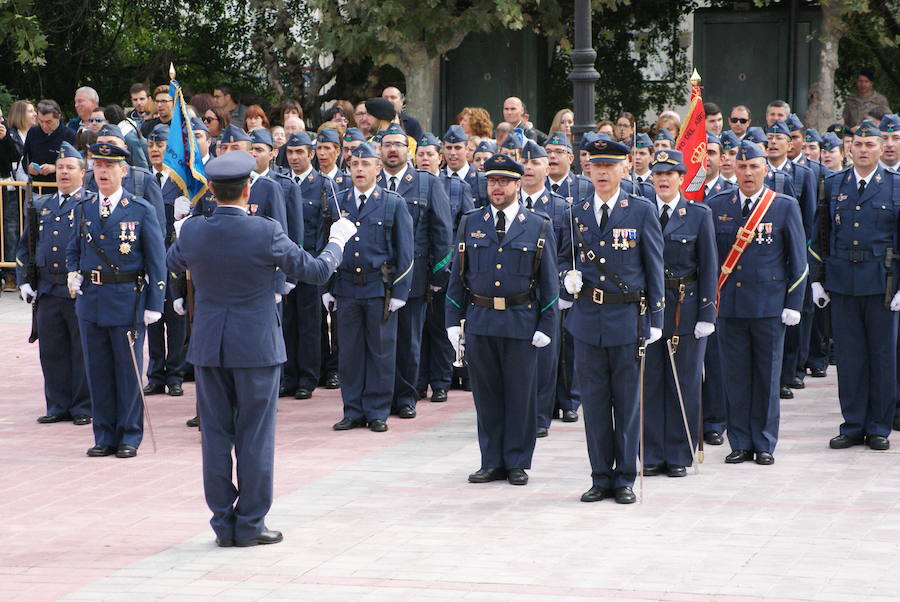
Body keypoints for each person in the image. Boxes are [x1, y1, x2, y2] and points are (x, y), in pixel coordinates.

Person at [166, 149, 355, 547]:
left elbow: (173, 262)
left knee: (216, 436)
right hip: (255, 347)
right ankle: (250, 523)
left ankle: (222, 523)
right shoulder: (265, 230)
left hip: (210, 347)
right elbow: (315, 271)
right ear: (247, 188)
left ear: (212, 190)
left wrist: (181, 225)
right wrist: (337, 242)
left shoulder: (194, 230)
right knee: (254, 435)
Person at [558, 137, 664, 504]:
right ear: (587, 169)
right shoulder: (577, 210)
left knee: (627, 402)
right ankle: (600, 475)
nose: (602, 172)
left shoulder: (641, 210)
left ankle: (625, 478)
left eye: (609, 166)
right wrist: (565, 278)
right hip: (587, 319)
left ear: (625, 168)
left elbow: (654, 267)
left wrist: (656, 317)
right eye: (596, 165)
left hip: (626, 319)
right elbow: (562, 257)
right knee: (595, 402)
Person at [446, 153, 558, 486]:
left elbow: (549, 281)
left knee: (521, 396)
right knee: (487, 396)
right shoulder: (471, 221)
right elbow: (458, 276)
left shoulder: (538, 224)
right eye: (492, 181)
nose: (497, 188)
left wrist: (546, 325)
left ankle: (517, 460)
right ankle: (491, 459)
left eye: (504, 182)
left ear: (518, 183)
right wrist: (453, 319)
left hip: (521, 321)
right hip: (481, 320)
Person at [707, 140, 807, 465]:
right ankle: (739, 442)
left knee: (766, 376)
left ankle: (764, 442)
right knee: (734, 376)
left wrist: (794, 302)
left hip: (768, 306)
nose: (748, 173)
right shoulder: (717, 204)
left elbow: (798, 260)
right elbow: (709, 260)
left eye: (754, 167)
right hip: (731, 306)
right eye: (742, 166)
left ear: (765, 168)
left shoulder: (783, 205)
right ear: (733, 168)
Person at [65, 142, 166, 458]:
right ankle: (104, 434)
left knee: (126, 370)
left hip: (126, 300)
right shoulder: (84, 207)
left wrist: (155, 303)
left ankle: (129, 434)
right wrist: (72, 272)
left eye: (109, 166)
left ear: (124, 170)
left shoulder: (139, 209)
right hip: (91, 300)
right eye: (97, 166)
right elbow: (74, 248)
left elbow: (156, 260)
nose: (103, 172)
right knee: (98, 370)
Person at [809, 121, 899, 451]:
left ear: (880, 149)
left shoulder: (895, 185)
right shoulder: (834, 185)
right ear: (850, 148)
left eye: (870, 145)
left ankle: (878, 426)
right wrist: (818, 279)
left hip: (882, 284)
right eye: (858, 144)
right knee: (849, 358)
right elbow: (820, 236)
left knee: (881, 356)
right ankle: (853, 423)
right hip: (843, 282)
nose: (863, 150)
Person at [324, 142, 413, 432]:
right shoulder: (338, 201)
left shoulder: (392, 202)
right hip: (347, 286)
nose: (360, 170)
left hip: (379, 288)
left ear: (378, 168)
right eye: (355, 165)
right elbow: (323, 244)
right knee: (349, 352)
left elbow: (405, 252)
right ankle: (352, 409)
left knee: (381, 352)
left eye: (366, 165)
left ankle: (376, 411)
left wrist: (400, 291)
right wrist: (326, 286)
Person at [642, 149, 717, 477]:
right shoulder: (641, 212)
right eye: (657, 174)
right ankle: (652, 453)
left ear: (682, 178)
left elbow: (709, 267)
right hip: (648, 310)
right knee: (651, 382)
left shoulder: (698, 214)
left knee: (683, 382)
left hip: (683, 307)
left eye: (669, 174)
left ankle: (678, 454)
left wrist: (706, 315)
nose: (662, 180)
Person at [374, 123, 452, 418]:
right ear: (379, 149)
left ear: (409, 151)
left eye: (398, 144)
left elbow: (442, 232)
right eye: (387, 144)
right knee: (379, 342)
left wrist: (438, 276)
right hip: (374, 275)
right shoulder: (370, 179)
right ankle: (379, 398)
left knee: (408, 340)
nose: (392, 149)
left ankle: (406, 396)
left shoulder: (426, 183)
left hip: (413, 275)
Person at [15, 141, 92, 425]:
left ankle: (83, 405)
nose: (63, 173)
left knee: (80, 349)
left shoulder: (90, 204)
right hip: (47, 289)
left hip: (76, 289)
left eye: (70, 168)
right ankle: (58, 404)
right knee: (52, 349)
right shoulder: (41, 205)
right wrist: (24, 280)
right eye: (60, 168)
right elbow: (26, 246)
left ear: (82, 173)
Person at [279, 130, 340, 399]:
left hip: (311, 263)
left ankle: (308, 376)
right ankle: (289, 375)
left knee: (310, 323)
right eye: (290, 152)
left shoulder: (324, 185)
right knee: (287, 321)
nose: (294, 157)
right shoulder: (279, 184)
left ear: (311, 154)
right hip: (284, 263)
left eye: (299, 152)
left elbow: (330, 227)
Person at [518, 140, 568, 437]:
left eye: (535, 162)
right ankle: (517, 413)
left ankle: (539, 416)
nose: (528, 167)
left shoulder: (561, 207)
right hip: (514, 294)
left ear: (547, 168)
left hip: (546, 293)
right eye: (523, 162)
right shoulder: (506, 205)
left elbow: (566, 251)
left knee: (545, 356)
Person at [143, 124, 189, 397]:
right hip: (151, 256)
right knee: (154, 315)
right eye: (151, 146)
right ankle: (156, 373)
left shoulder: (181, 181)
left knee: (176, 316)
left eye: (160, 146)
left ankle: (175, 374)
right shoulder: (143, 179)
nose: (155, 150)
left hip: (174, 257)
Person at [23, 99, 76, 182]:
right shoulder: (33, 132)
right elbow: (25, 158)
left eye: (48, 122)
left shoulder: (70, 135)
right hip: (36, 186)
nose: (44, 126)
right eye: (40, 121)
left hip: (60, 187)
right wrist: (29, 168)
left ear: (58, 117)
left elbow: (76, 164)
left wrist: (55, 168)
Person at [442, 125, 488, 207]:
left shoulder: (481, 180)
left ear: (467, 149)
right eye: (449, 148)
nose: (452, 152)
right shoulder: (438, 180)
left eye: (457, 148)